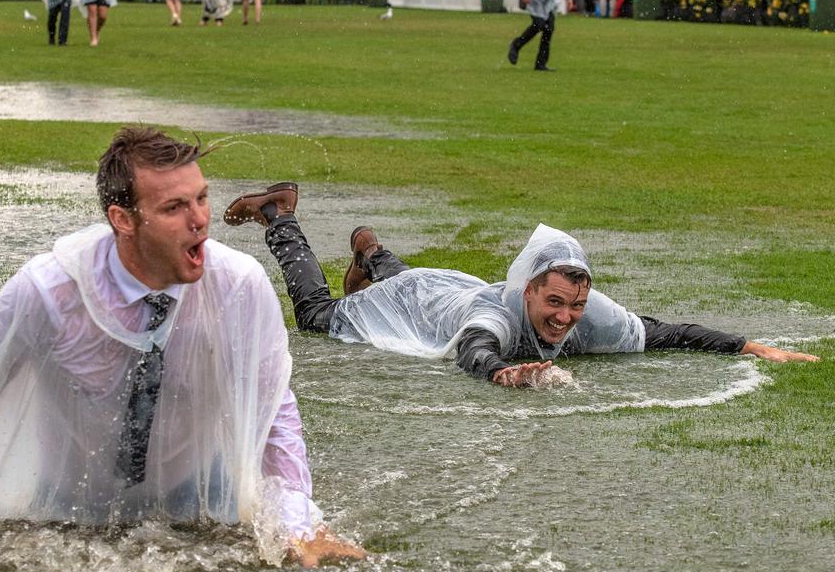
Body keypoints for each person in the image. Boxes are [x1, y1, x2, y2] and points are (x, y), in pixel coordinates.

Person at [0, 129, 366, 569]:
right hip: (67, 497)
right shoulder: (47, 291)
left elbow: (274, 408)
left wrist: (298, 526)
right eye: (174, 207)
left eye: (202, 198)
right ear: (123, 219)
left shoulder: (238, 285)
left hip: (198, 491)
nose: (200, 221)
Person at [223, 184, 820, 387]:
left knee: (416, 283)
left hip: (442, 287)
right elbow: (474, 350)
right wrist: (501, 372)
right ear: (528, 290)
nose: (565, 318)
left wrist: (749, 346)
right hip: (424, 300)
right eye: (554, 303)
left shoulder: (591, 311)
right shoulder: (502, 320)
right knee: (318, 315)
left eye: (576, 306)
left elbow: (665, 332)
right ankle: (281, 215)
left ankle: (373, 254)